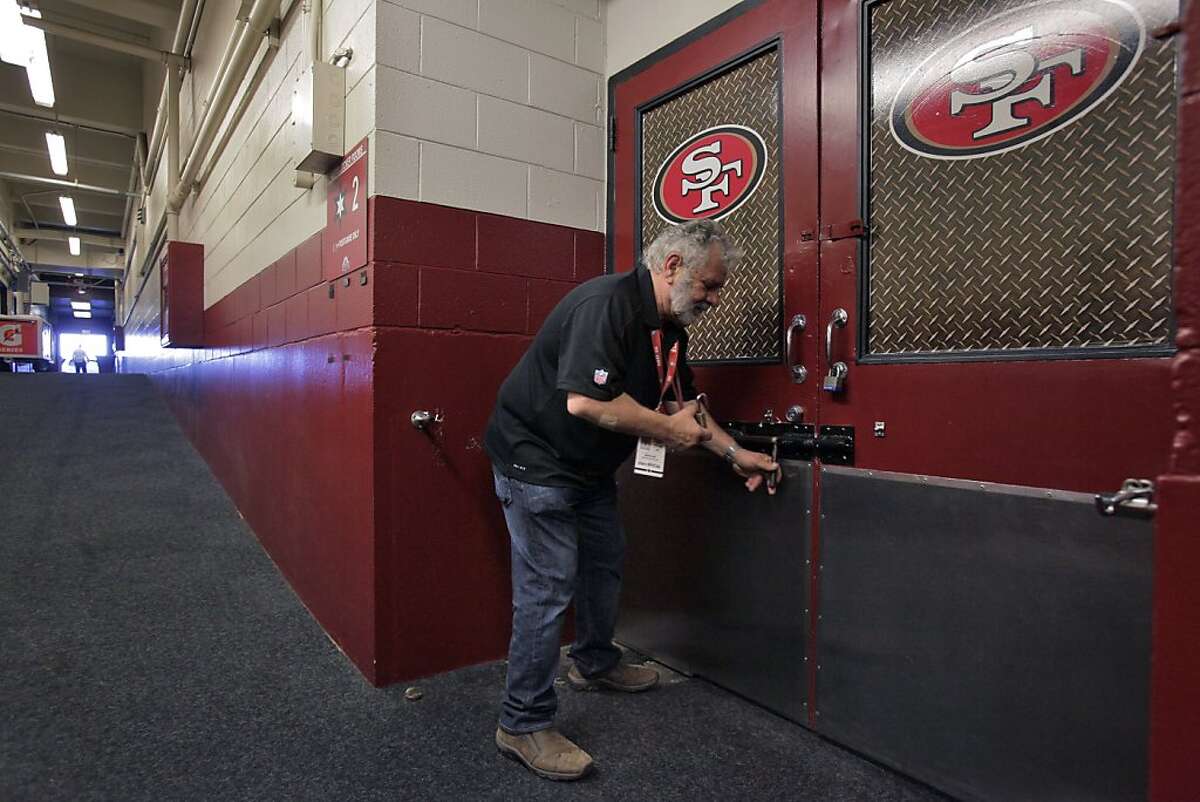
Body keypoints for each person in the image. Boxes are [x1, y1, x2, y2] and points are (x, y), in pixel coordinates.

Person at [484, 220, 781, 781]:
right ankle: (521, 722)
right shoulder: (607, 305)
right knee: (548, 587)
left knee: (605, 563)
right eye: (709, 286)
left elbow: (681, 406)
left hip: (590, 467)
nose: (714, 300)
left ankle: (594, 663)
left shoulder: (669, 330)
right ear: (671, 266)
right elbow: (586, 403)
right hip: (537, 461)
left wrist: (734, 453)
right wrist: (670, 434)